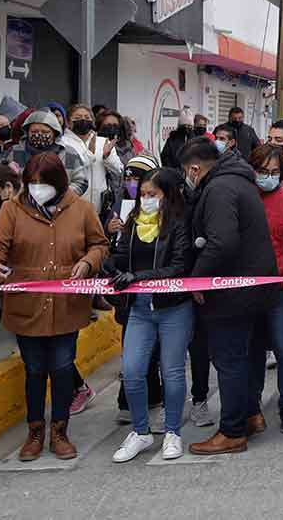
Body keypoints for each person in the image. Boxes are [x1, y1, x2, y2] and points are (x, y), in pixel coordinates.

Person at [0, 153, 109, 462]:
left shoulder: (81, 209)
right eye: (32, 183)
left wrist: (87, 262)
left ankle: (59, 431)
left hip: (66, 306)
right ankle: (34, 432)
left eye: (44, 184)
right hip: (26, 306)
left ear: (59, 183)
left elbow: (100, 245)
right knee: (34, 370)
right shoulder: (11, 210)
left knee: (60, 368)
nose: (37, 189)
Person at [181, 137, 280, 455]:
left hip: (231, 291)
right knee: (249, 355)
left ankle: (232, 431)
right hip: (254, 286)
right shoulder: (240, 181)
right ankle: (250, 414)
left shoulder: (219, 189)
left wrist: (198, 281)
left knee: (230, 360)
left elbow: (221, 242)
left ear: (194, 168)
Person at [109, 168, 195, 463]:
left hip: (174, 308)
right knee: (132, 371)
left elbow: (179, 266)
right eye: (142, 195)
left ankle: (172, 432)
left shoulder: (180, 223)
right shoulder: (132, 222)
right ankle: (141, 432)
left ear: (167, 195)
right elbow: (120, 258)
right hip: (139, 309)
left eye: (152, 195)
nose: (145, 200)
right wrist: (113, 263)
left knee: (171, 372)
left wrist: (138, 276)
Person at [250, 144, 283, 434]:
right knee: (254, 349)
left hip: (280, 287)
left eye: (274, 172)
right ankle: (253, 405)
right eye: (262, 171)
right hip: (248, 287)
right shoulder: (244, 197)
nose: (268, 177)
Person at [5, 110, 88, 196]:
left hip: (60, 207)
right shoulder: (14, 152)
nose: (39, 135)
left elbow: (81, 182)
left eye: (45, 132)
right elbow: (3, 180)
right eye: (34, 132)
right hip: (21, 205)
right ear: (27, 132)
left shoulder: (69, 154)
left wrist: (60, 196)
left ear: (55, 133)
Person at [60, 103, 122, 217]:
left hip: (99, 210)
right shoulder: (62, 143)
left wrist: (107, 157)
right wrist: (89, 154)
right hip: (71, 209)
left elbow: (118, 172)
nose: (83, 120)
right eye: (77, 118)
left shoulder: (103, 142)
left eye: (87, 117)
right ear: (68, 122)